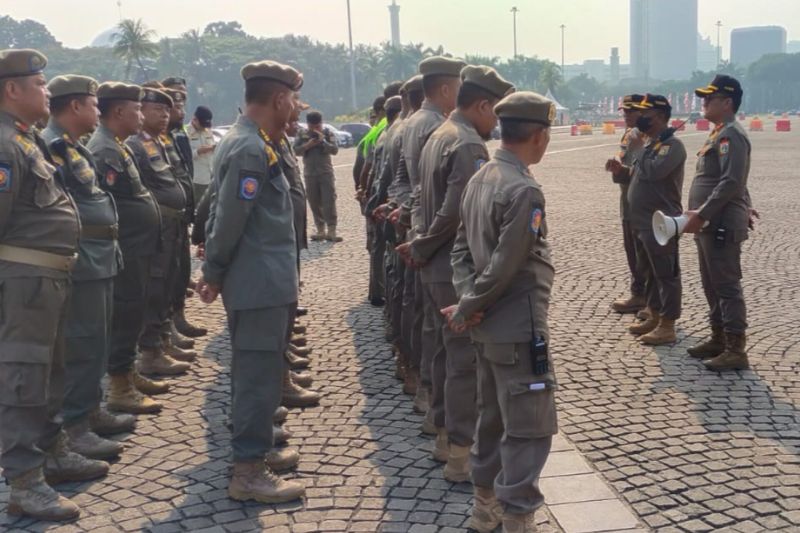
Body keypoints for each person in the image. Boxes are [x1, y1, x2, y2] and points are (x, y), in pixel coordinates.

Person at [0, 48, 108, 522]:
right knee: (24, 377)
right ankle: (24, 481)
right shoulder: (3, 145)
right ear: (12, 89)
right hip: (25, 282)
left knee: (52, 372)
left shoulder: (24, 140)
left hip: (49, 278)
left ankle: (54, 451)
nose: (47, 91)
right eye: (40, 84)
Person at [444, 91, 558, 533]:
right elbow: (507, 266)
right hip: (516, 327)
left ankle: (484, 507)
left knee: (490, 417)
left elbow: (460, 251)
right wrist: (469, 305)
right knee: (529, 426)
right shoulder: (523, 189)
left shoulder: (483, 175)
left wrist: (467, 302)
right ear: (541, 135)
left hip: (487, 328)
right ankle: (516, 518)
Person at [196, 59, 305, 503]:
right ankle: (248, 471)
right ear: (279, 98)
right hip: (258, 282)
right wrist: (214, 272)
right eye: (293, 98)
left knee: (258, 371)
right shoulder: (249, 148)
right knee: (258, 376)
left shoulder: (253, 141)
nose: (296, 106)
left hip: (263, 280)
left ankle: (254, 451)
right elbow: (228, 219)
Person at [401, 65, 514, 483]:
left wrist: (417, 241)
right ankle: (460, 453)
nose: (496, 123)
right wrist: (425, 243)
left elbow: (417, 196)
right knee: (464, 362)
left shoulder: (439, 134)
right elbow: (454, 212)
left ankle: (442, 429)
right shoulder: (467, 145)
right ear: (482, 105)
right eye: (496, 113)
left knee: (443, 351)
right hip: (451, 266)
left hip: (433, 265)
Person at [42, 75, 129, 461]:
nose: (98, 110)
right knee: (80, 344)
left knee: (97, 341)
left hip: (99, 257)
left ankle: (91, 409)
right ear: (75, 106)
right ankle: (75, 427)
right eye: (94, 104)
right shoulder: (51, 147)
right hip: (81, 260)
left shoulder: (74, 147)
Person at [393, 55, 466, 425]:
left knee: (425, 319)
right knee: (439, 334)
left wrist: (411, 228)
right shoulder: (437, 128)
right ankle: (431, 398)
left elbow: (414, 188)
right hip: (435, 244)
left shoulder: (416, 123)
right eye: (458, 87)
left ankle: (424, 391)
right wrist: (421, 241)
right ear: (444, 89)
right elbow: (439, 200)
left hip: (420, 236)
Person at [88, 82, 167, 414]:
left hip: (138, 246)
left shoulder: (118, 146)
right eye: (136, 109)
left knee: (134, 311)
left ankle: (127, 372)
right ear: (119, 111)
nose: (140, 114)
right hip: (126, 249)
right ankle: (119, 387)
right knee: (124, 315)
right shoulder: (104, 150)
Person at [683, 75, 754, 371]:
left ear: (727, 102)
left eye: (709, 98)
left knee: (726, 286)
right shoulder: (718, 133)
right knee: (711, 284)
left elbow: (732, 180)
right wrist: (747, 204)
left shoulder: (731, 135)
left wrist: (702, 213)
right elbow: (732, 179)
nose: (704, 102)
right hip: (710, 223)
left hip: (718, 222)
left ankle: (736, 349)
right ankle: (718, 337)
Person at [609, 94, 686, 345]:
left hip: (661, 220)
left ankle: (668, 323)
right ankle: (653, 314)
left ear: (662, 117)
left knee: (666, 273)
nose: (641, 119)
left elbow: (654, 172)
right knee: (651, 272)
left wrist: (638, 149)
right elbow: (639, 174)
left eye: (647, 116)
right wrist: (621, 172)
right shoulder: (652, 144)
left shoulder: (672, 147)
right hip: (642, 220)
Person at [126, 84, 191, 376]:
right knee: (154, 287)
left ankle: (163, 339)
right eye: (157, 110)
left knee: (169, 283)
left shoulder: (158, 142)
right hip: (156, 229)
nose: (165, 115)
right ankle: (151, 350)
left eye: (167, 110)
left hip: (172, 225)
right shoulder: (135, 145)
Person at [162, 85, 207, 342]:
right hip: (163, 225)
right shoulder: (145, 143)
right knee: (163, 281)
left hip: (178, 218)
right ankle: (163, 333)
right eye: (173, 107)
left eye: (180, 106)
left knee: (178, 273)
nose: (178, 112)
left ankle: (177, 318)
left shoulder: (171, 137)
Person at [606, 94, 647, 314]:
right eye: (625, 111)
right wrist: (618, 170)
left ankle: (648, 299)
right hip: (627, 200)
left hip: (641, 203)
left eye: (632, 111)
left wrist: (621, 170)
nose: (627, 114)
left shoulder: (644, 137)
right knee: (632, 251)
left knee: (643, 253)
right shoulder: (628, 134)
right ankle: (638, 293)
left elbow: (644, 173)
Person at [294, 109, 340, 242]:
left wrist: (323, 142)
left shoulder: (327, 133)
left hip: (325, 172)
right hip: (310, 174)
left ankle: (331, 229)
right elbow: (295, 150)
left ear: (321, 123)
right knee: (313, 201)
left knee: (329, 200)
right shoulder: (302, 135)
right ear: (307, 125)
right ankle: (320, 229)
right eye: (312, 127)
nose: (315, 129)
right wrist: (307, 145)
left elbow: (335, 150)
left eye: (317, 126)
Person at [188, 105, 215, 202]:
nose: (204, 127)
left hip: (211, 176)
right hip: (197, 179)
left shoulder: (208, 131)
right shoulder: (185, 132)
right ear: (195, 119)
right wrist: (198, 152)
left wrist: (214, 148)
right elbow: (183, 157)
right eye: (202, 124)